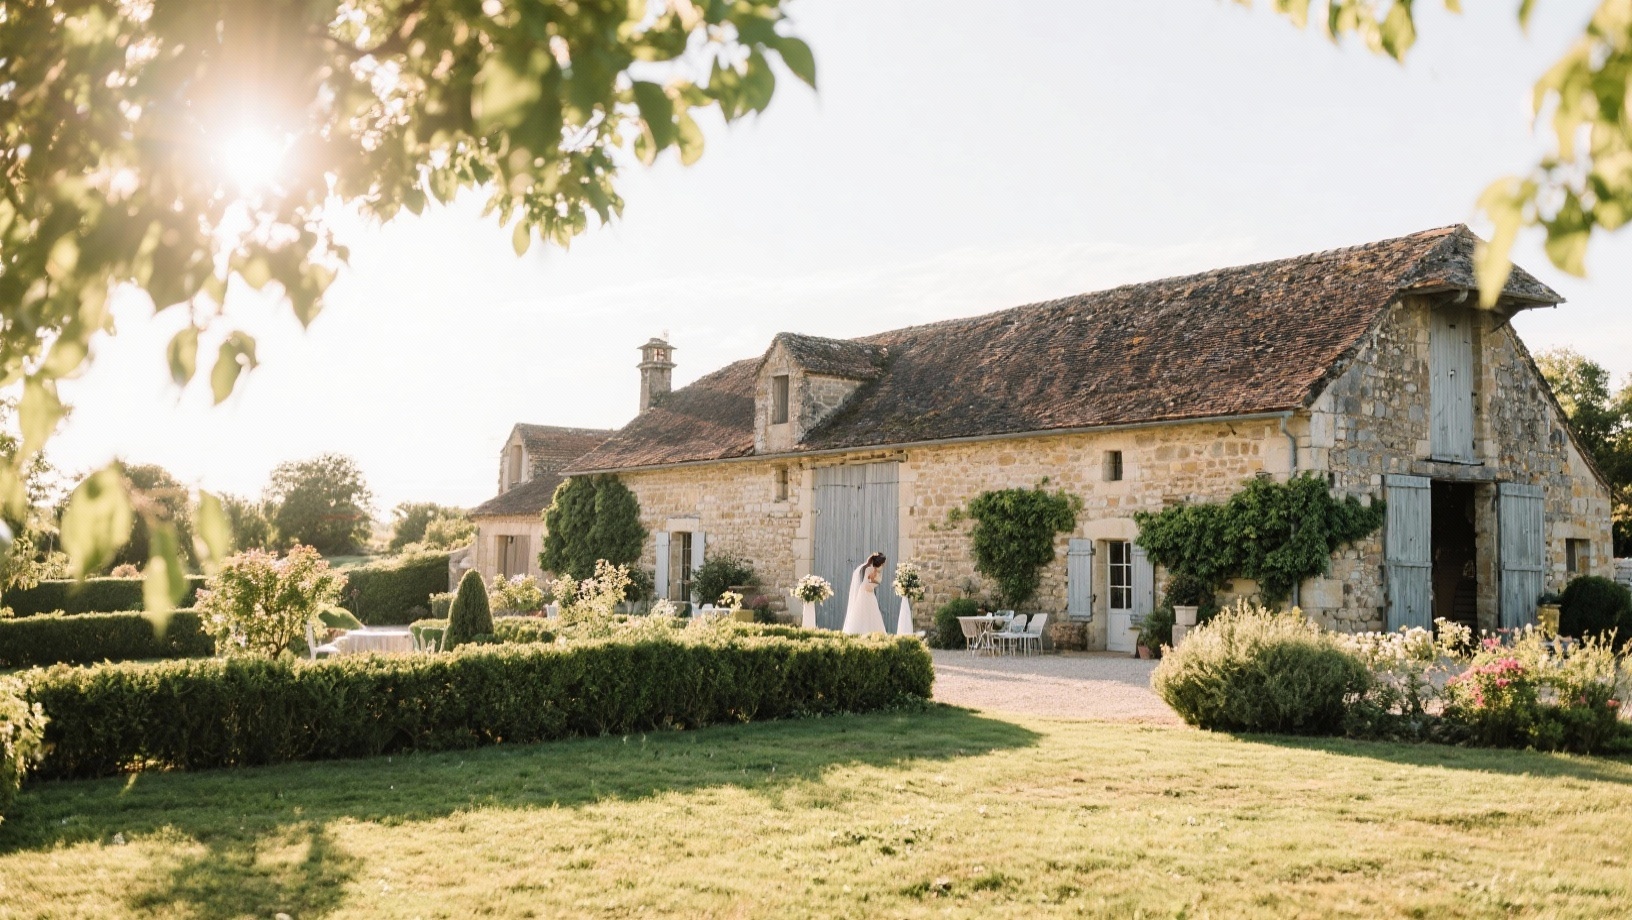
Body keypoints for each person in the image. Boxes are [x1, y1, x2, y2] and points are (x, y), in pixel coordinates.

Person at [841, 552, 888, 635]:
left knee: (871, 612)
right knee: (864, 611)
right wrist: (874, 581)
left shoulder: (875, 570)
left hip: (869, 592)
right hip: (866, 593)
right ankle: (862, 632)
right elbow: (867, 584)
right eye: (883, 562)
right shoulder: (870, 569)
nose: (884, 564)